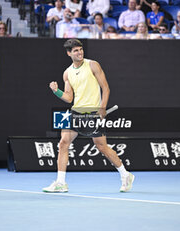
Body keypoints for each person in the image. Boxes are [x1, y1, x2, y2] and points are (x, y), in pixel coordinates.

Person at [44, 39, 135, 193]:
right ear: (69, 53)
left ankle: (125, 175)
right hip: (76, 113)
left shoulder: (93, 65)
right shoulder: (67, 73)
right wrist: (56, 91)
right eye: (75, 51)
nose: (79, 53)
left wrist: (102, 107)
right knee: (63, 143)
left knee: (101, 147)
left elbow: (105, 88)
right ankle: (60, 182)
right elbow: (68, 98)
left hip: (92, 114)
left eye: (80, 49)